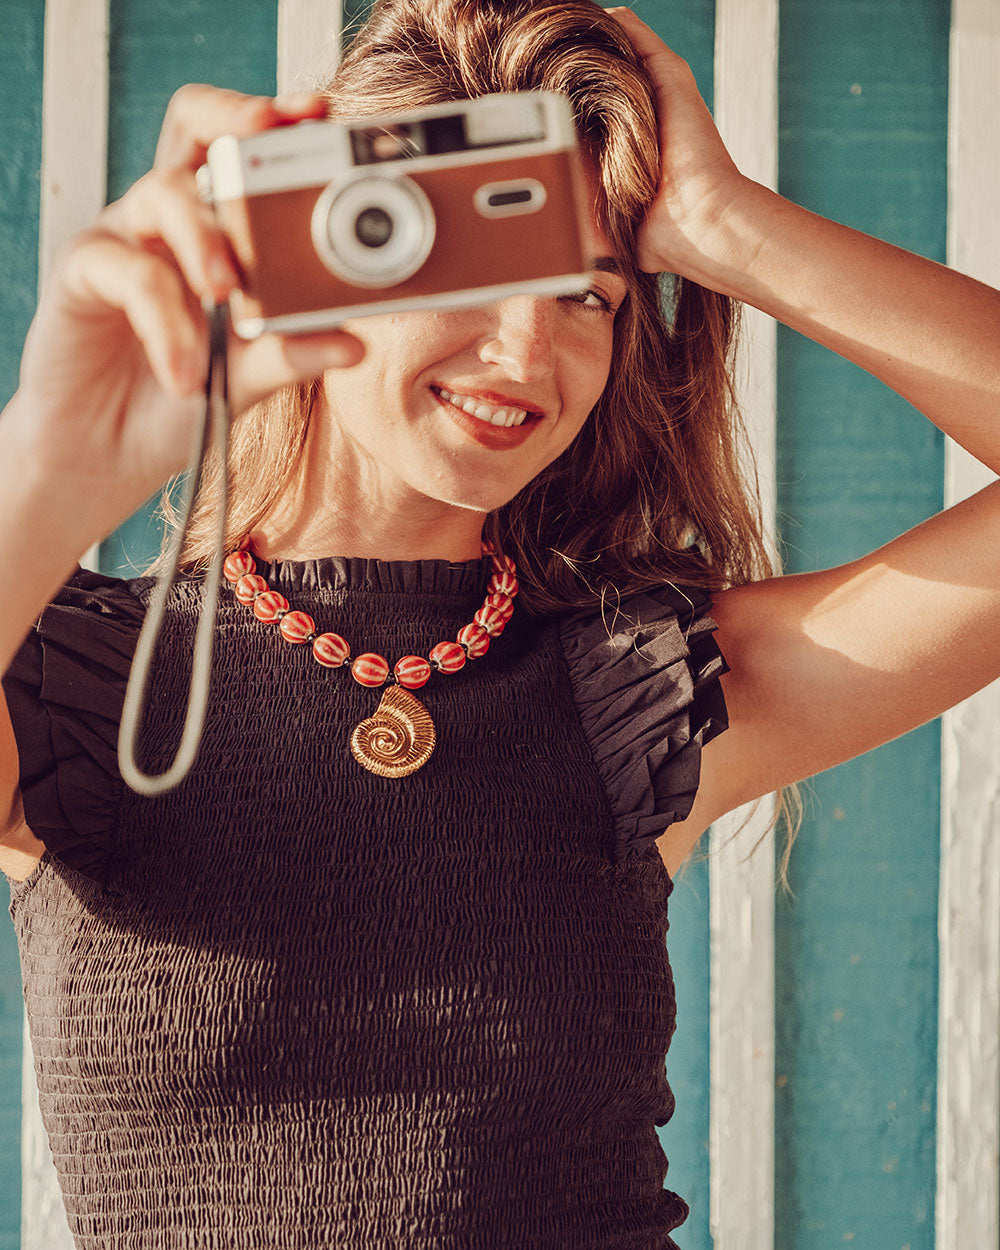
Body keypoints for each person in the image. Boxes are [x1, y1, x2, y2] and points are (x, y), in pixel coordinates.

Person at [1, 0, 997, 1246]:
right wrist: (50, 466)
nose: (531, 348)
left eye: (589, 293)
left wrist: (727, 227)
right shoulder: (86, 688)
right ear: (329, 250)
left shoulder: (634, 690)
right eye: (472, 267)